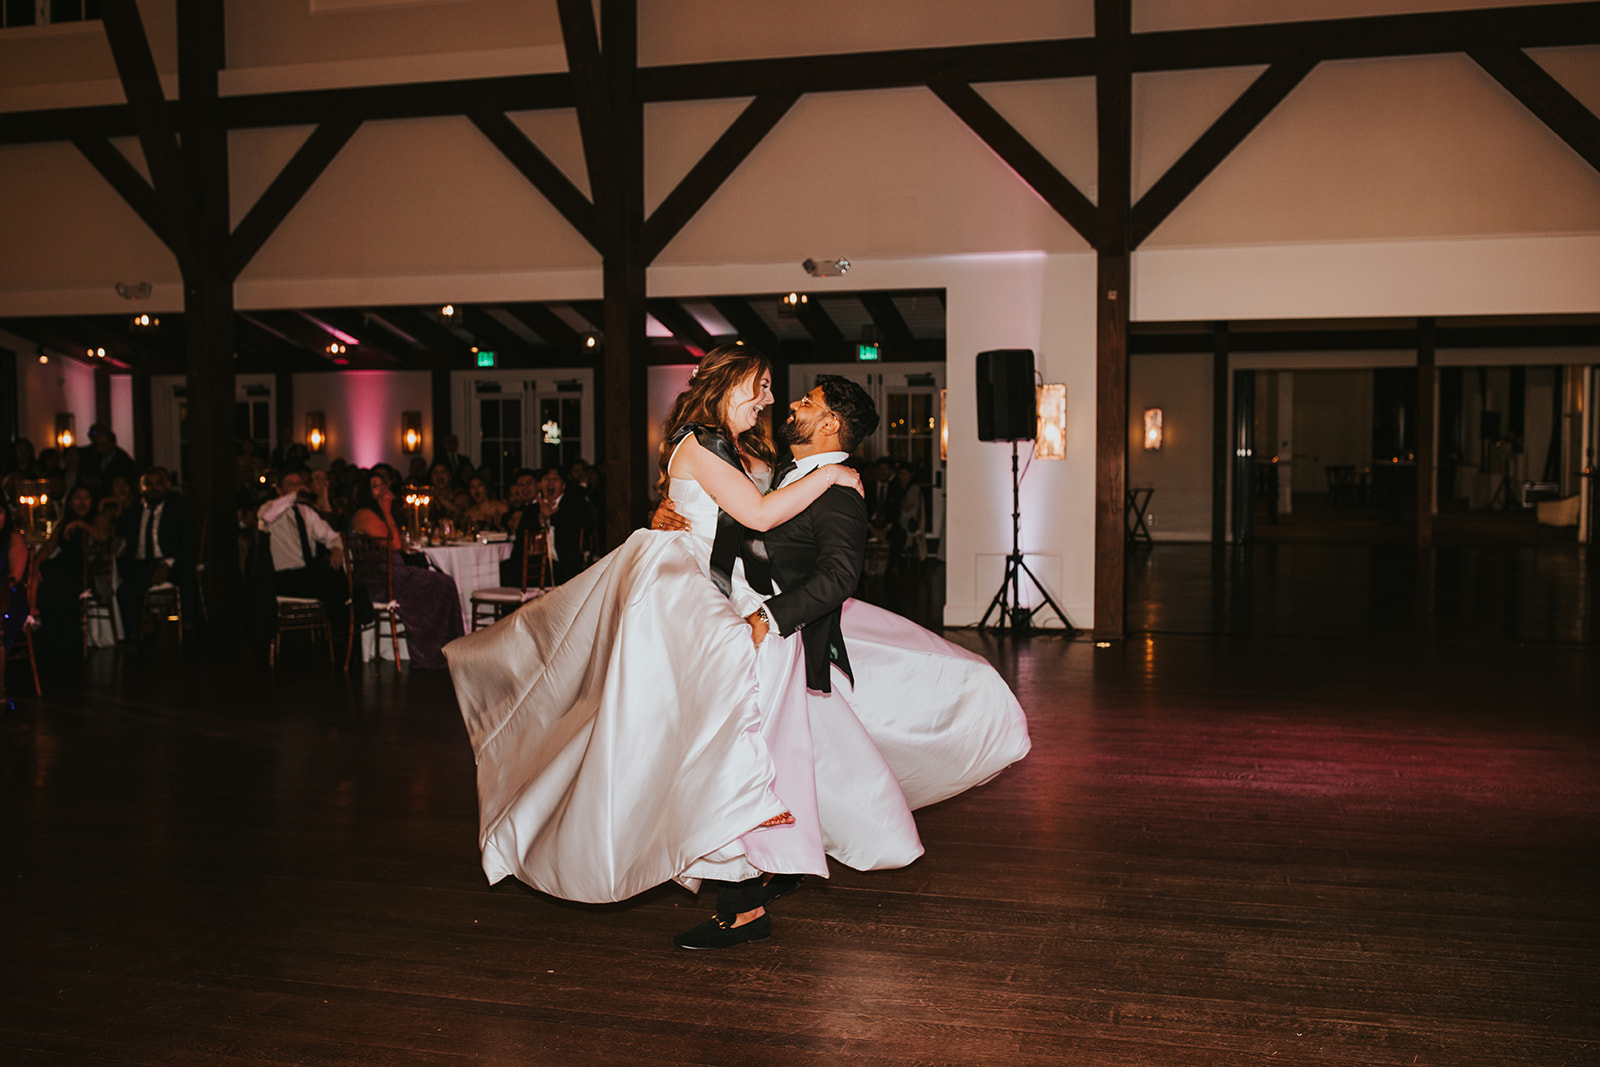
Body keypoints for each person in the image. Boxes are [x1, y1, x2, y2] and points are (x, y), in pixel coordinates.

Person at [446, 345, 892, 946]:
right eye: (759, 386)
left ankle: (748, 877)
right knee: (689, 732)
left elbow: (756, 525)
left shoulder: (734, 450)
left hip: (714, 595)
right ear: (729, 384)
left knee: (717, 736)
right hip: (682, 598)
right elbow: (757, 516)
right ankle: (734, 876)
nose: (770, 399)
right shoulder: (703, 441)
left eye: (775, 391)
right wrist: (834, 473)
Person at [652, 389, 1032, 935]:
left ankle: (744, 902)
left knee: (741, 760)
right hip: (735, 627)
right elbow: (732, 515)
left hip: (775, 639)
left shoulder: (840, 494)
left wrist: (768, 619)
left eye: (807, 402)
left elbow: (837, 579)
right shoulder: (783, 471)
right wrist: (675, 510)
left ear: (830, 421)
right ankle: (779, 866)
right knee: (786, 762)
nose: (791, 406)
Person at [348, 469, 464, 669]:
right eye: (375, 486)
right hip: (381, 579)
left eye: (383, 485)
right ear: (366, 492)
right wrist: (386, 508)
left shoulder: (378, 512)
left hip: (391, 573)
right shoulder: (365, 514)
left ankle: (447, 647)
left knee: (442, 581)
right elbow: (393, 544)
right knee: (443, 584)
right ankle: (434, 650)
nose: (382, 490)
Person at [259, 468, 350, 657]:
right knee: (331, 582)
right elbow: (267, 516)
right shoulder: (270, 508)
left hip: (308, 573)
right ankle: (341, 634)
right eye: (291, 484)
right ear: (280, 490)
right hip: (284, 576)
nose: (298, 487)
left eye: (299, 483)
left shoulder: (306, 512)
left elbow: (333, 536)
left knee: (333, 576)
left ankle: (342, 634)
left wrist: (336, 548)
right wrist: (293, 495)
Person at [114, 467, 195, 643]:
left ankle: (188, 628)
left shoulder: (178, 510)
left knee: (187, 573)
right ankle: (133, 637)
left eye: (158, 484)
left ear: (166, 485)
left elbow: (187, 543)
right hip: (142, 565)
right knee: (124, 591)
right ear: (140, 488)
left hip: (171, 563)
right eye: (148, 484)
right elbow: (116, 537)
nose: (153, 488)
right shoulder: (133, 513)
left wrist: (166, 565)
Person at [34, 484, 113, 660]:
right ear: (70, 502)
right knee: (47, 576)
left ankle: (67, 644)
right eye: (77, 497)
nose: (82, 502)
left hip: (85, 571)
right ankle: (48, 641)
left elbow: (102, 536)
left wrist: (81, 524)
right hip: (63, 567)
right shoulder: (63, 523)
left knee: (58, 580)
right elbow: (48, 548)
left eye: (86, 497)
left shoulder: (97, 519)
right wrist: (34, 567)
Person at [501, 466, 593, 587]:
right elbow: (520, 537)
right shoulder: (533, 508)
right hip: (534, 562)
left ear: (563, 485)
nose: (550, 483)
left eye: (555, 479)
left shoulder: (574, 504)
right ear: (540, 484)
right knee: (504, 569)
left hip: (562, 563)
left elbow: (588, 523)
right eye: (546, 479)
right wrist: (540, 518)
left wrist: (552, 516)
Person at [76, 424, 138, 496]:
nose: (100, 448)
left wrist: (101, 482)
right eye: (98, 445)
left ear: (112, 444)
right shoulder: (93, 455)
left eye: (103, 445)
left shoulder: (123, 460)